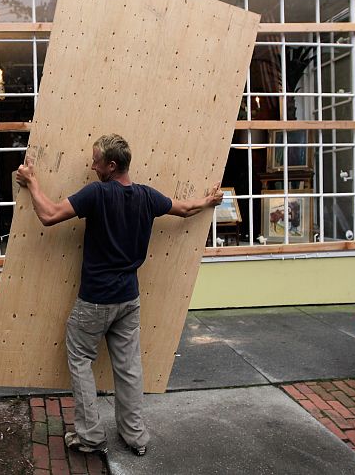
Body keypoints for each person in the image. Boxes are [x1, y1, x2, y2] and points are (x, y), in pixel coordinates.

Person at [15, 133, 224, 457]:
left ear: (111, 166)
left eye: (96, 160)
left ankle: (91, 437)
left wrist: (32, 183)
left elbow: (49, 215)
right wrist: (209, 201)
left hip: (95, 300)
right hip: (129, 299)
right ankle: (136, 437)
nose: (91, 164)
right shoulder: (146, 196)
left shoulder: (97, 194)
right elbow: (184, 209)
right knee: (128, 368)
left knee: (81, 359)